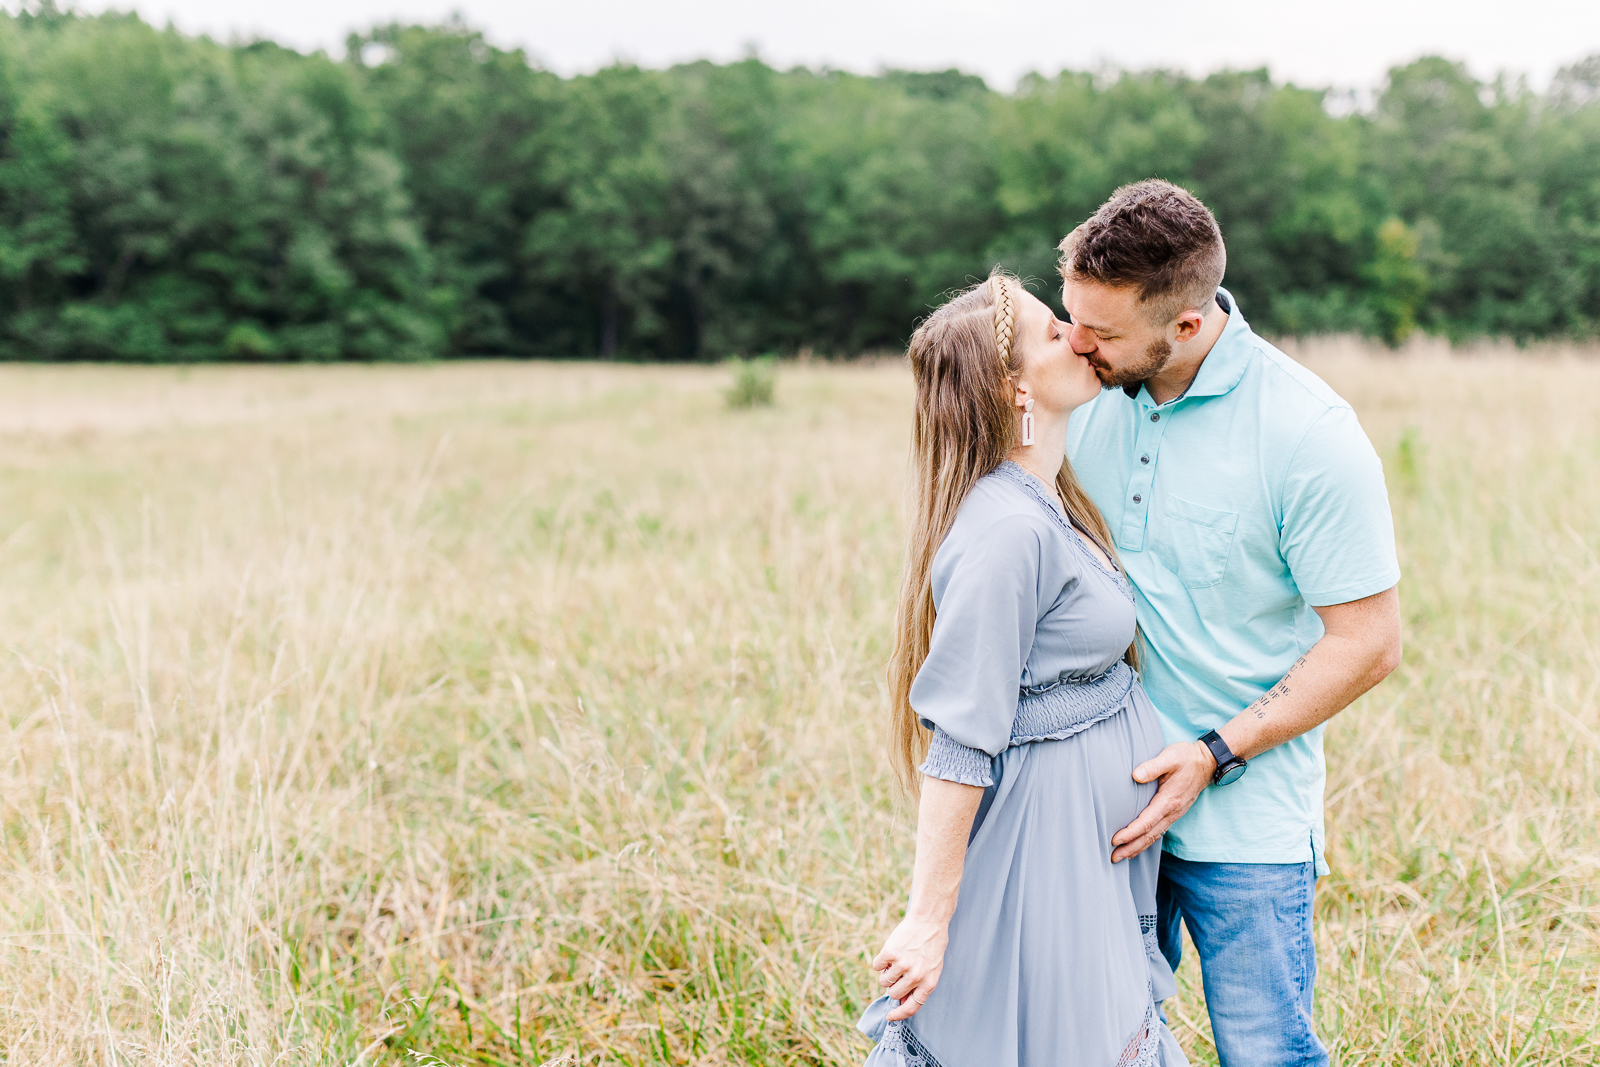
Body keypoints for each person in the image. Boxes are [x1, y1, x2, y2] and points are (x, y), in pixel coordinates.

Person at [1060, 180, 1404, 1067]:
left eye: (1100, 332)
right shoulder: (1080, 388)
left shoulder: (1308, 432)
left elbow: (1368, 642)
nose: (1075, 343)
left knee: (1265, 1054)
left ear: (1185, 325)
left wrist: (1213, 751)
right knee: (1098, 1047)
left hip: (1243, 823)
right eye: (1071, 317)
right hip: (1099, 806)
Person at [857, 270, 1188, 1066]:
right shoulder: (1007, 528)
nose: (1077, 337)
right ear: (1014, 390)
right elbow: (962, 737)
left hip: (1077, 851)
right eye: (1052, 332)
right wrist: (928, 918)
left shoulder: (1049, 503)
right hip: (1040, 854)